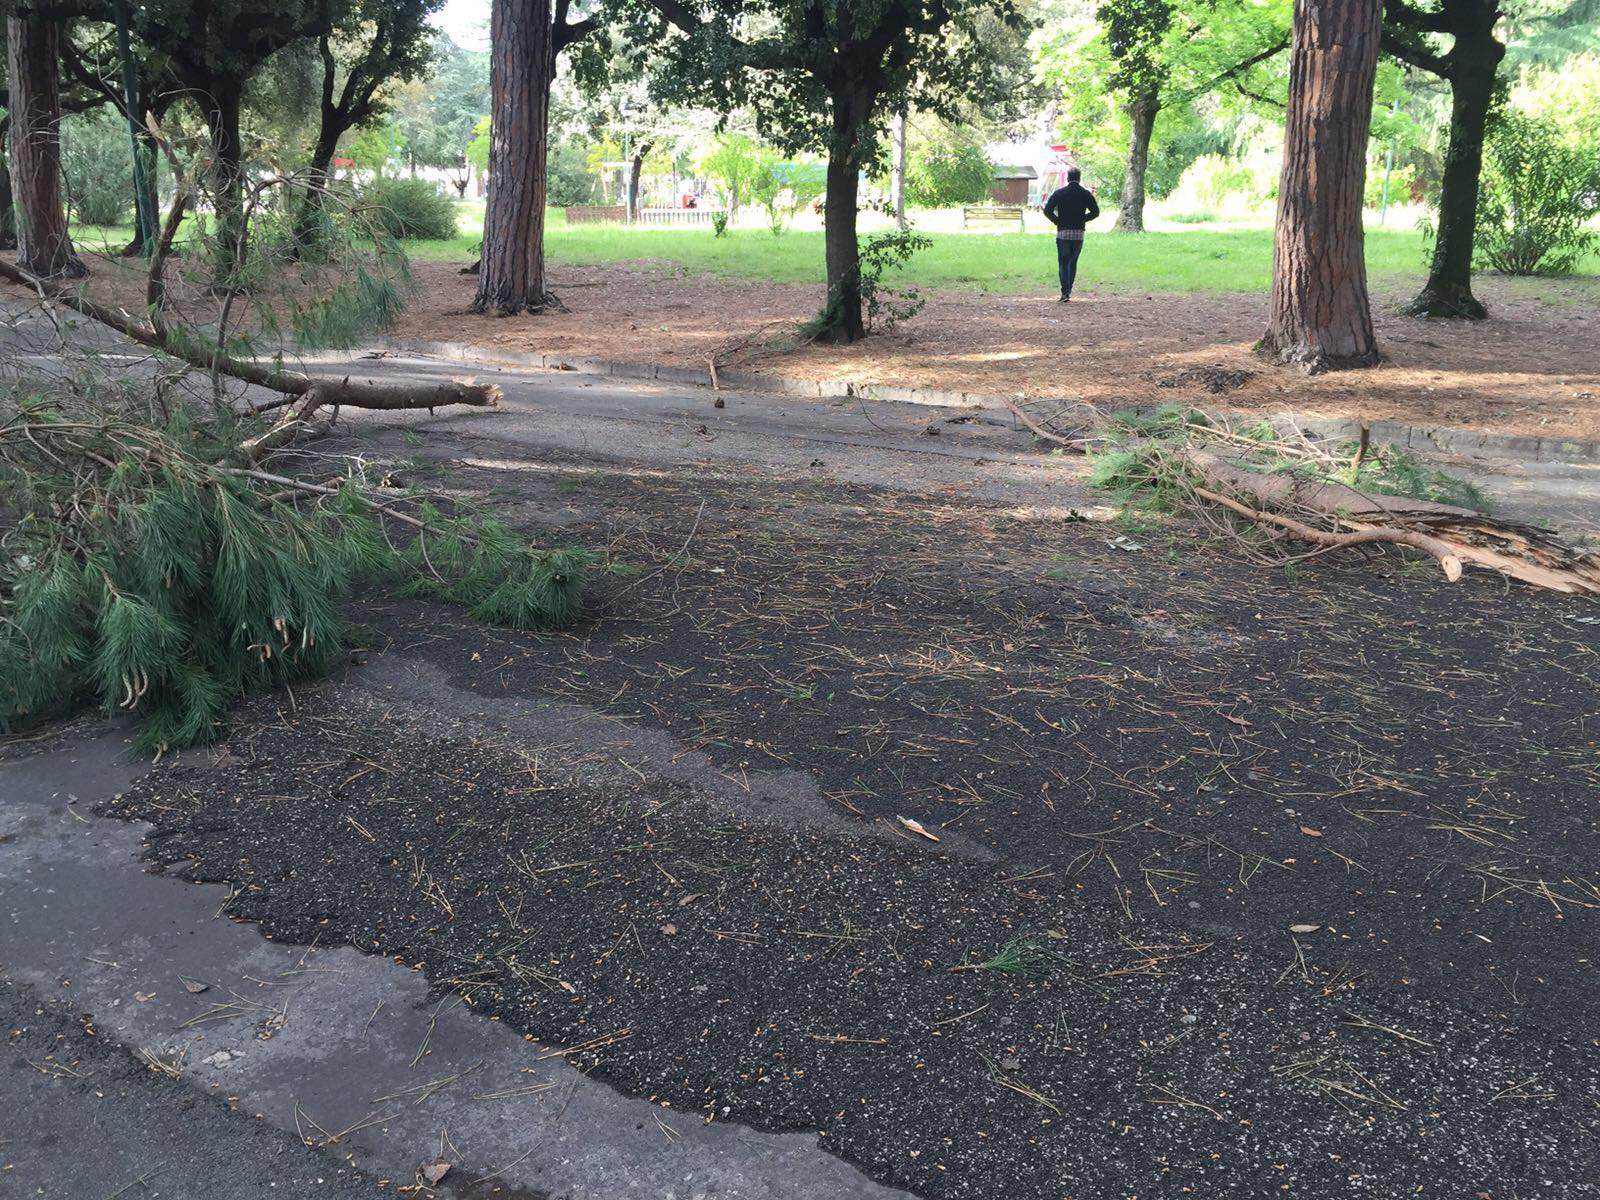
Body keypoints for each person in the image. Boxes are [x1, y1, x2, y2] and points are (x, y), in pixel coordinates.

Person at [1042, 168, 1100, 303]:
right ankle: (1069, 290)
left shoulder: (1059, 193)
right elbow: (1095, 212)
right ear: (1079, 178)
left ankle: (1065, 292)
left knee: (1063, 263)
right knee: (1073, 263)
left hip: (1063, 233)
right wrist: (1082, 219)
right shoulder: (1085, 194)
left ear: (1068, 178)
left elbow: (1047, 210)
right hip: (1078, 234)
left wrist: (1058, 221)